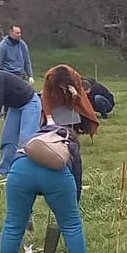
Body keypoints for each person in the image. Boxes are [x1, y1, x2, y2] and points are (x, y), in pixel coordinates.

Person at [0, 125, 93, 253]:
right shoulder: (70, 143)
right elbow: (77, 177)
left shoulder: (33, 138)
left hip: (20, 171)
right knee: (71, 224)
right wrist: (72, 203)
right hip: (57, 176)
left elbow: (15, 157)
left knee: (13, 224)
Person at [40, 64, 101, 197]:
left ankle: (72, 150)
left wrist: (74, 95)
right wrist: (49, 117)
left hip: (70, 105)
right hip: (55, 103)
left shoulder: (75, 77)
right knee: (54, 129)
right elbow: (46, 97)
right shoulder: (50, 77)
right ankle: (56, 151)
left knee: (72, 128)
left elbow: (79, 101)